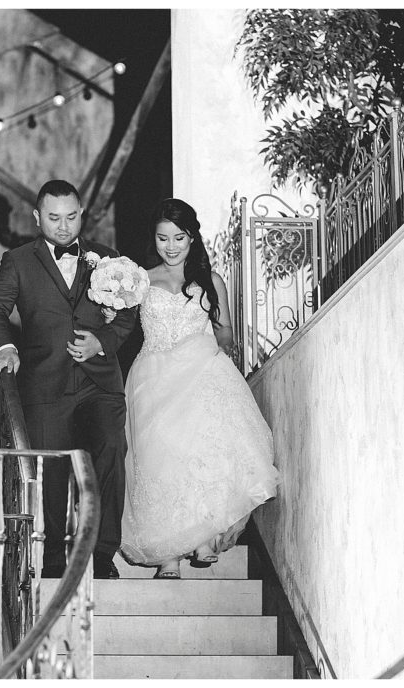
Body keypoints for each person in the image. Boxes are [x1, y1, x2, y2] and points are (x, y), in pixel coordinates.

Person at [0, 179, 137, 580]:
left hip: (100, 383)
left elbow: (128, 313)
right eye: (54, 218)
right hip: (44, 383)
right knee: (49, 470)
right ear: (37, 218)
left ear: (81, 214)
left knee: (109, 457)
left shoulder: (108, 258)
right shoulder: (17, 260)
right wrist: (6, 349)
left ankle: (102, 553)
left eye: (71, 217)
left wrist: (102, 342)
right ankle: (51, 555)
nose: (64, 226)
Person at [119, 198, 280, 579]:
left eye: (178, 238)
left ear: (192, 238)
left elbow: (226, 332)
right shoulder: (141, 280)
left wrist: (208, 343)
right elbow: (122, 328)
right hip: (153, 376)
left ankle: (204, 534)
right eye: (162, 238)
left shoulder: (212, 281)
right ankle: (167, 555)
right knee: (159, 459)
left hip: (197, 368)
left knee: (205, 448)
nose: (170, 246)